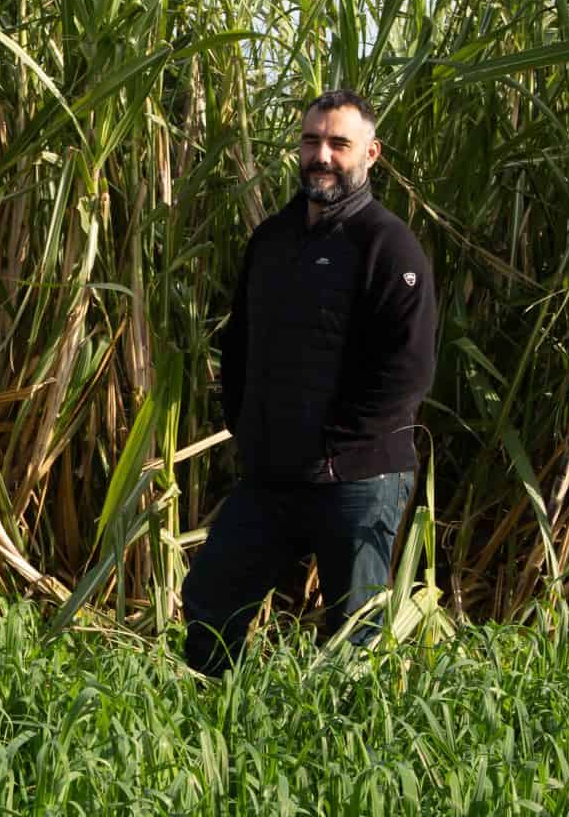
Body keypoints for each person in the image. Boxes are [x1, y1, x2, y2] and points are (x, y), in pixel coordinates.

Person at [181, 89, 437, 673]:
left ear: (370, 154)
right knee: (211, 601)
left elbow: (409, 369)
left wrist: (335, 446)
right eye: (311, 140)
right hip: (271, 473)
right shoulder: (272, 240)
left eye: (338, 144)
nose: (321, 155)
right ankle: (216, 724)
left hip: (358, 477)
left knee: (355, 633)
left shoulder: (387, 245)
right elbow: (240, 341)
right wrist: (249, 429)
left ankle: (348, 754)